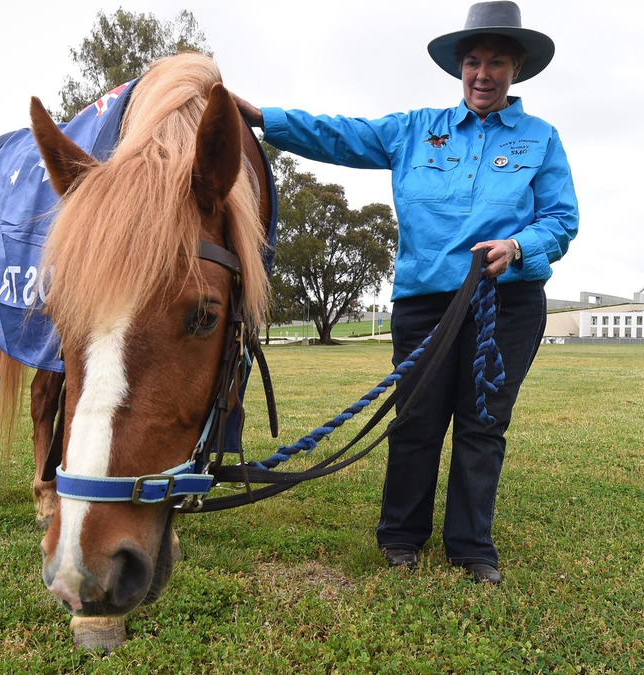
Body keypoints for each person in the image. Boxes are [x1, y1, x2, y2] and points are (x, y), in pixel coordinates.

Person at [236, 1, 578, 584]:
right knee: (416, 419)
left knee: (483, 424)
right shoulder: (415, 130)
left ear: (516, 69)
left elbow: (561, 220)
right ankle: (401, 537)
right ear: (459, 68)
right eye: (473, 62)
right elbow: (341, 135)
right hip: (424, 302)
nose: (483, 74)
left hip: (505, 303)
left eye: (497, 62)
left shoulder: (541, 139)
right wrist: (263, 117)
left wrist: (518, 247)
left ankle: (471, 546)